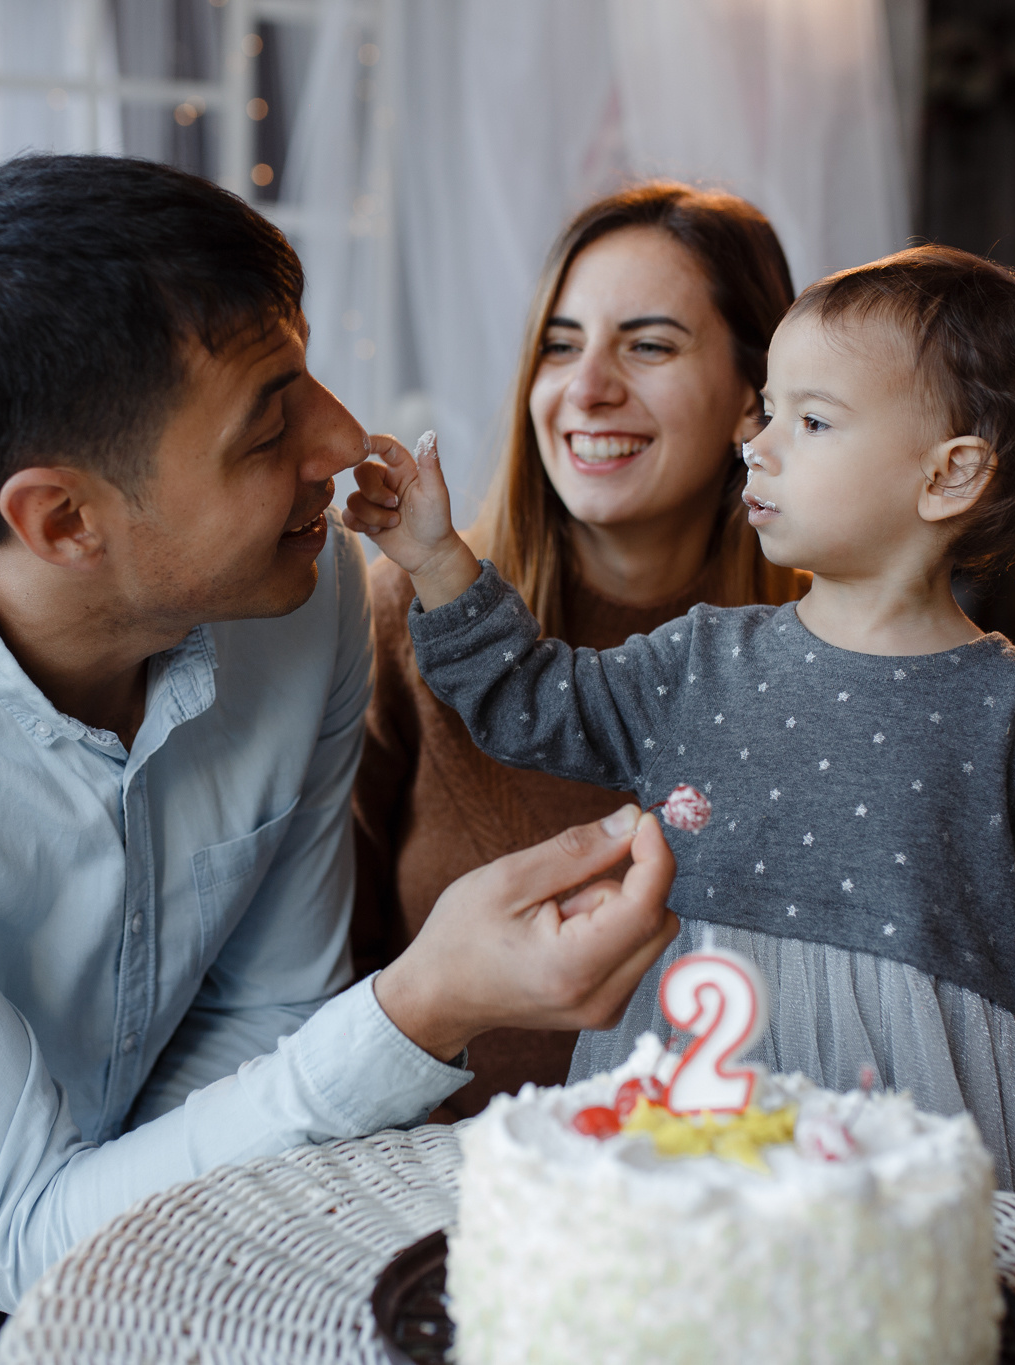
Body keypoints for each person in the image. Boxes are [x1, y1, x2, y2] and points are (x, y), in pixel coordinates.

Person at [0, 154, 679, 1365]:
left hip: (180, 1096)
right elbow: (26, 1231)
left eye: (309, 378)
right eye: (267, 425)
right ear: (64, 521)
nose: (346, 441)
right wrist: (422, 1005)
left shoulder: (307, 595)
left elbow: (264, 1004)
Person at [343, 244, 1015, 1285]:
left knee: (897, 1316)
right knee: (683, 1305)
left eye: (812, 421)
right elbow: (530, 700)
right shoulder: (701, 660)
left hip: (930, 1094)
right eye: (764, 413)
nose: (757, 447)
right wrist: (438, 559)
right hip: (697, 1069)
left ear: (950, 474)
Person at [351, 184, 808, 1121]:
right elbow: (320, 984)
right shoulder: (406, 613)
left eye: (648, 344)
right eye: (560, 346)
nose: (587, 387)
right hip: (441, 1195)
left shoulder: (828, 648)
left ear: (749, 399)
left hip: (747, 1194)